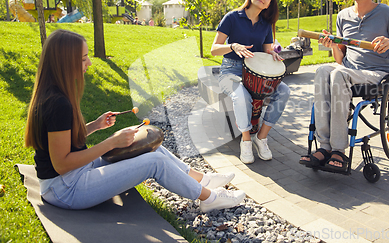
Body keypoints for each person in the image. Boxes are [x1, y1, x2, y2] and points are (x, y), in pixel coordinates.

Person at [24, 29, 245, 211]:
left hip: (76, 176)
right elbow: (62, 164)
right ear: (65, 62)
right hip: (65, 189)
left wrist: (95, 126)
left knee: (152, 149)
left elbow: (65, 140)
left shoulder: (55, 94)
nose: (89, 63)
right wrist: (110, 143)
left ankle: (202, 180)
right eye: (83, 58)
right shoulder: (57, 104)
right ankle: (209, 199)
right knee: (154, 163)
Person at [299, 0, 389, 172]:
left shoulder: (386, 14)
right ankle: (324, 146)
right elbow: (339, 59)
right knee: (322, 71)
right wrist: (335, 44)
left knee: (338, 74)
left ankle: (338, 150)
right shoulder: (343, 16)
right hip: (347, 71)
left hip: (376, 73)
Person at [211, 0, 290, 164]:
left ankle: (261, 138)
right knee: (241, 96)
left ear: (268, 5)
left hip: (257, 73)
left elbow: (266, 50)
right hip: (231, 69)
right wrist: (232, 46)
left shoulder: (266, 24)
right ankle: (246, 140)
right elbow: (214, 49)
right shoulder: (232, 17)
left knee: (284, 91)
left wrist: (273, 55)